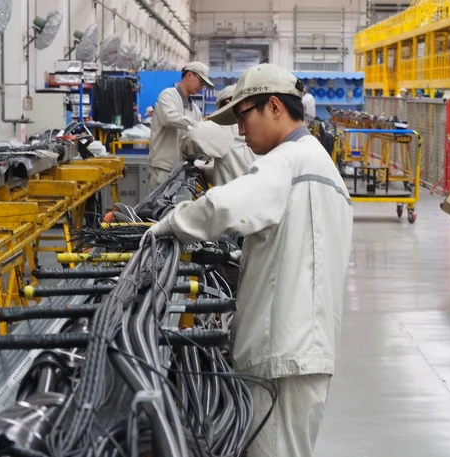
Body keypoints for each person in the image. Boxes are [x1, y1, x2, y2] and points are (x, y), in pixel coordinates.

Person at [150, 63, 353, 457]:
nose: (240, 131)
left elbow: (223, 206)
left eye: (243, 117)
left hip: (280, 351)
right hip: (305, 348)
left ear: (274, 107)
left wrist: (166, 225)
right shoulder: (323, 169)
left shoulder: (287, 161)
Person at [148, 61, 214, 191]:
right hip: (164, 169)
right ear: (189, 75)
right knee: (160, 210)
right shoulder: (168, 95)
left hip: (183, 171)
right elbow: (169, 118)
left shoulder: (195, 110)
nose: (202, 86)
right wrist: (199, 126)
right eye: (201, 82)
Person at [180, 84, 256, 187]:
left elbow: (192, 137)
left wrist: (188, 155)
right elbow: (235, 168)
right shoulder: (258, 128)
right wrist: (205, 169)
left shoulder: (226, 125)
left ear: (227, 104)